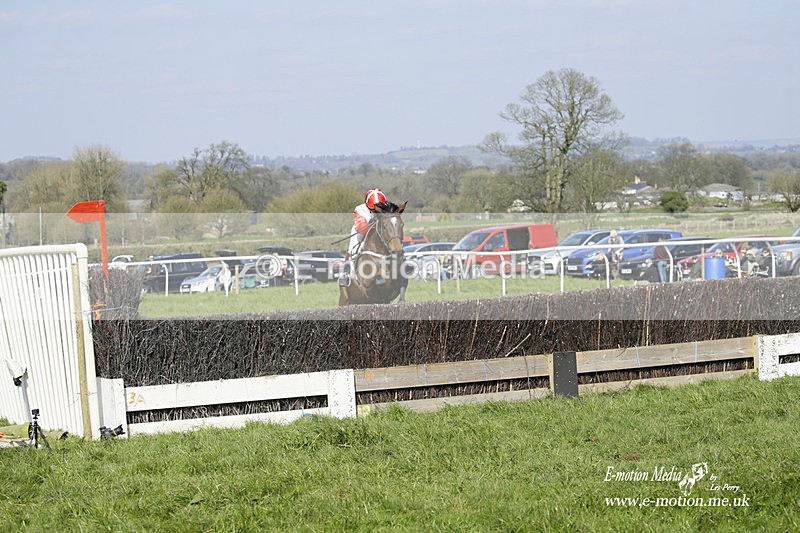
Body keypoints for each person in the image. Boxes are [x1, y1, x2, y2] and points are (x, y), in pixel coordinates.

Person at [339, 188, 388, 287]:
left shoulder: (387, 208)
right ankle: (346, 274)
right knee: (352, 250)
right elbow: (361, 227)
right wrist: (371, 223)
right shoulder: (360, 210)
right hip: (361, 230)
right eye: (373, 209)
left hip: (378, 232)